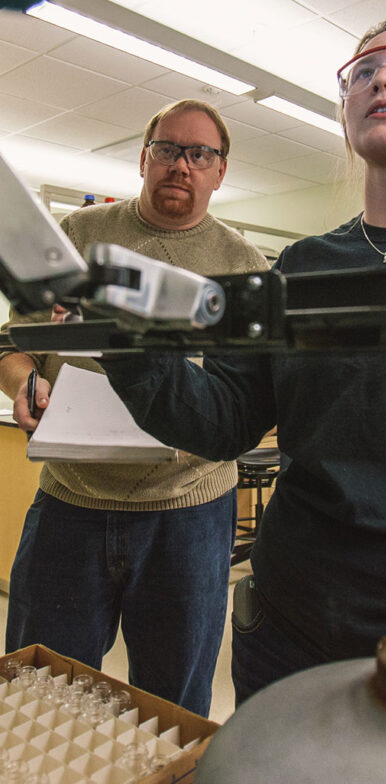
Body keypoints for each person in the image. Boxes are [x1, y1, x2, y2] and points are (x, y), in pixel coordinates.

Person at [98, 17, 386, 705]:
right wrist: (131, 347)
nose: (380, 78)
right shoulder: (301, 267)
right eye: (360, 73)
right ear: (346, 112)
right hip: (289, 619)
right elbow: (226, 421)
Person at [0, 98, 268, 716]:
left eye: (200, 154)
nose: (183, 164)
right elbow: (19, 340)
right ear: (144, 157)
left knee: (170, 705)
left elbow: (242, 398)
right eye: (169, 149)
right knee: (39, 696)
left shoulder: (242, 267)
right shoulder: (79, 236)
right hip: (71, 501)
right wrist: (22, 383)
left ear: (219, 171)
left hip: (190, 513)